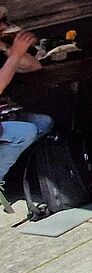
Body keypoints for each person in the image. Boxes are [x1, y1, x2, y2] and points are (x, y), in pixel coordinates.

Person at [0, 30, 52, 202]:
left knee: (44, 123)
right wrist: (15, 54)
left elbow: (34, 66)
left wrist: (7, 47)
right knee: (25, 132)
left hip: (5, 117)